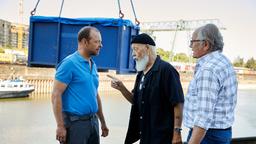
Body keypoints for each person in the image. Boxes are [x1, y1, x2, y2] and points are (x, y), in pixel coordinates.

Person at [108, 33, 184, 144]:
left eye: (135, 49)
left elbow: (178, 102)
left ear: (147, 48)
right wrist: (122, 88)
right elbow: (136, 101)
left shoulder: (166, 70)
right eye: (132, 50)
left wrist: (177, 132)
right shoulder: (141, 74)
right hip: (145, 135)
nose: (133, 54)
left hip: (162, 137)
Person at [51, 26, 109, 144]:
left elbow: (95, 95)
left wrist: (102, 122)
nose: (100, 45)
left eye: (100, 42)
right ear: (84, 42)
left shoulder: (93, 65)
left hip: (93, 122)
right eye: (97, 41)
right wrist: (60, 126)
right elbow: (56, 95)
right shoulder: (69, 63)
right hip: (75, 125)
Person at [183, 24, 238, 144]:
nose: (190, 46)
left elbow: (203, 116)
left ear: (206, 44)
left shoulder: (208, 70)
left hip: (206, 135)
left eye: (193, 41)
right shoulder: (223, 61)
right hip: (221, 132)